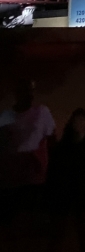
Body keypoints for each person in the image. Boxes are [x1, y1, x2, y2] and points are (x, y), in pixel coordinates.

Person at [45, 108, 85, 252]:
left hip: (82, 196)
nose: (78, 123)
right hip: (64, 195)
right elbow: (54, 171)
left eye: (82, 120)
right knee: (58, 234)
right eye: (76, 120)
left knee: (83, 232)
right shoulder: (64, 147)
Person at [0, 78, 56, 217]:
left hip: (35, 174)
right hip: (12, 176)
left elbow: (51, 139)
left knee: (31, 214)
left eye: (31, 90)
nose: (29, 94)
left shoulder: (42, 112)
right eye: (25, 90)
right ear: (17, 93)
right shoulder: (6, 117)